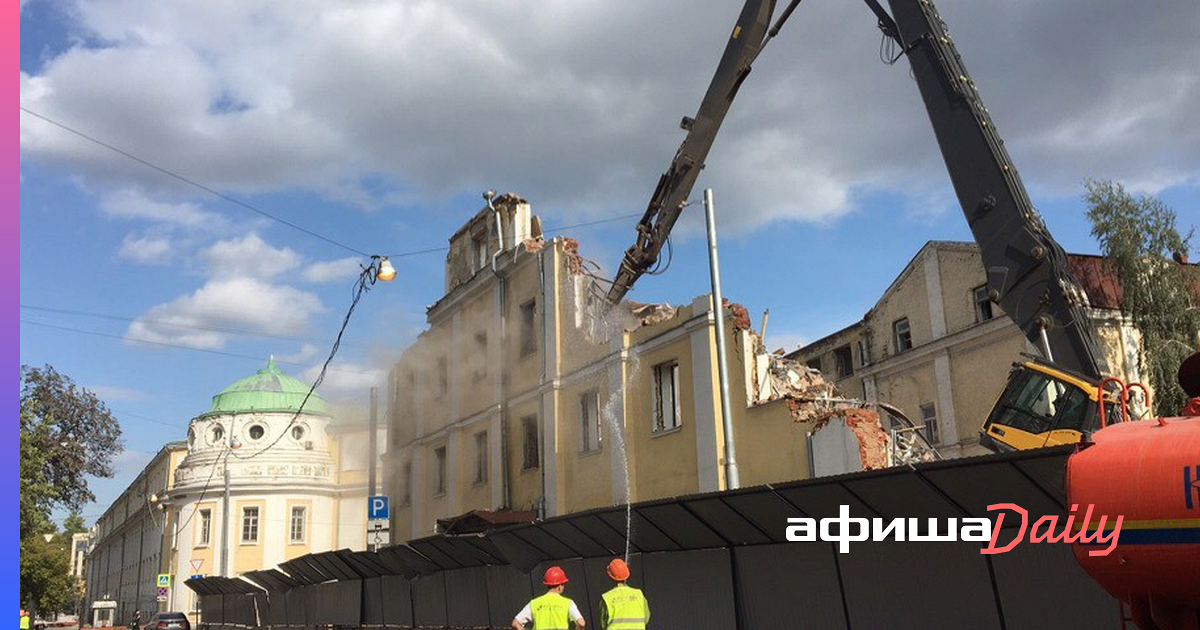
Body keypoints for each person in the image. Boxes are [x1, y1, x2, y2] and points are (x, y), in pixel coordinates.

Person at [512, 566, 586, 629]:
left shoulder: (534, 603)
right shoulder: (568, 603)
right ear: (560, 586)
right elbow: (581, 623)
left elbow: (515, 623)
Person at [598, 559, 649, 629]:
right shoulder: (638, 594)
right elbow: (646, 617)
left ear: (610, 577)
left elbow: (603, 624)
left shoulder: (607, 598)